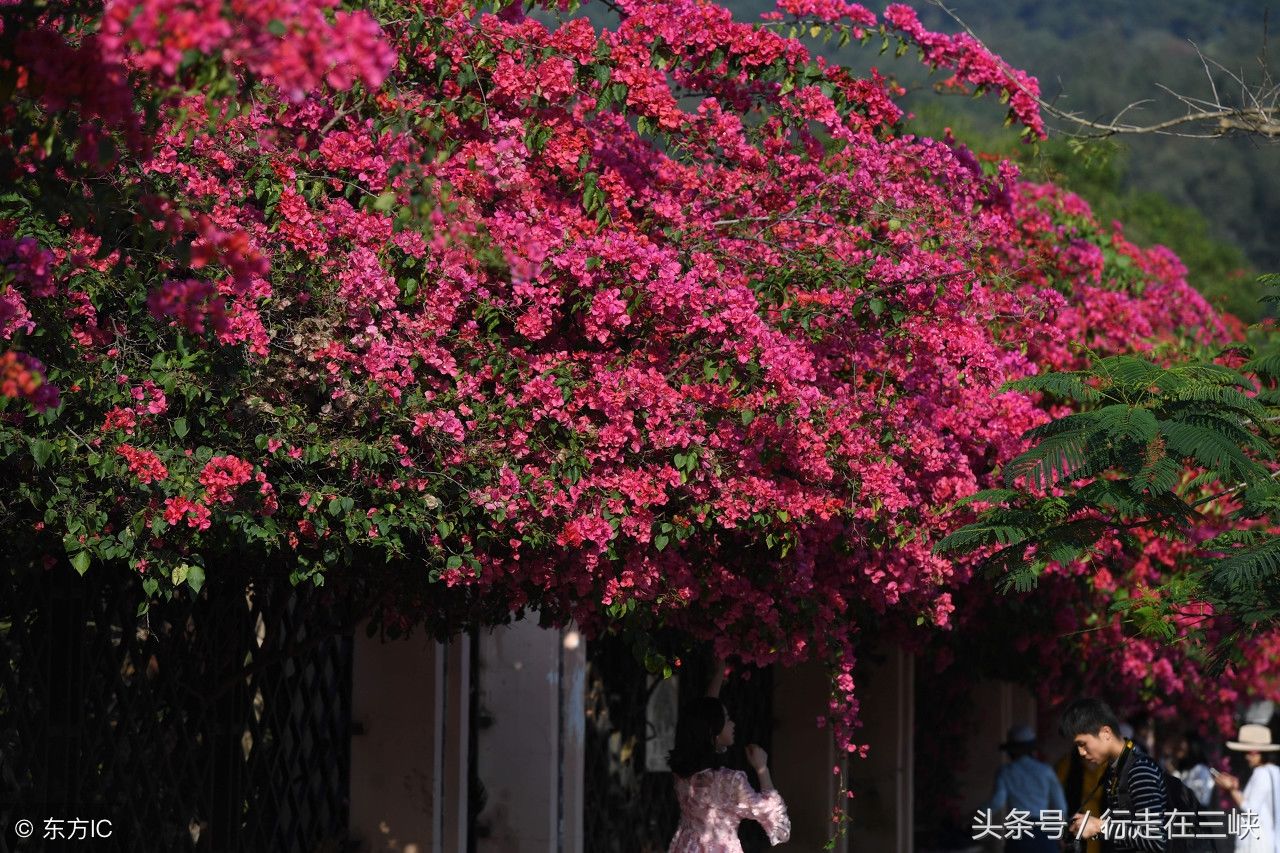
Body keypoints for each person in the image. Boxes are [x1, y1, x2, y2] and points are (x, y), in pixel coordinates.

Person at [667, 658, 790, 852]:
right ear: (713, 732)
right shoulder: (729, 782)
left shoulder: (683, 773)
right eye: (726, 719)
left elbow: (704, 717)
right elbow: (778, 826)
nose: (732, 724)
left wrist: (719, 674)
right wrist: (762, 768)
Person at [1060, 698, 1168, 852]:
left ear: (1106, 733)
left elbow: (1155, 839)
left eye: (1083, 744)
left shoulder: (1139, 770)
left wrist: (1100, 826)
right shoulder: (1117, 769)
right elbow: (1125, 831)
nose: (1081, 752)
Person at [986, 724, 1068, 852]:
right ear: (1032, 749)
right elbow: (1060, 807)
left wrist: (973, 817)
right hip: (1044, 834)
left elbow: (997, 802)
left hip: (1019, 834)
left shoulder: (1005, 772)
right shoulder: (1046, 771)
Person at [1212, 723, 1280, 853]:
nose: (1247, 756)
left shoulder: (1261, 774)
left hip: (1256, 844)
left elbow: (1250, 809)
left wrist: (1232, 789)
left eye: (1251, 753)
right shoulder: (1275, 771)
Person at [1056, 748, 1105, 853]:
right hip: (1072, 820)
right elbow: (1056, 798)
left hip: (1098, 821)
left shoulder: (1106, 766)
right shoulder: (1068, 763)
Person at [1164, 732, 1215, 808]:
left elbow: (1196, 799)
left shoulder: (1201, 770)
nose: (1177, 747)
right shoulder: (1185, 770)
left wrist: (1173, 773)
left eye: (1181, 743)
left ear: (1191, 746)